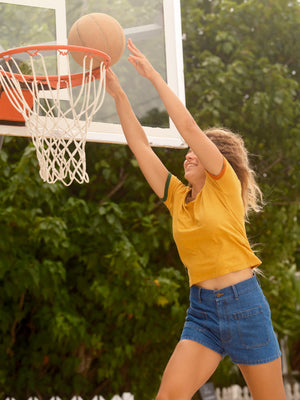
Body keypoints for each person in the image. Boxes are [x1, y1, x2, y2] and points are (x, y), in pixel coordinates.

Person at [105, 38, 286, 400]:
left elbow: (188, 127)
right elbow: (140, 145)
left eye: (196, 152)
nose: (188, 155)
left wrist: (153, 76)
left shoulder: (224, 183)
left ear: (214, 159)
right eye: (188, 152)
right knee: (168, 396)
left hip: (245, 306)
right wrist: (118, 93)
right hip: (203, 313)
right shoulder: (177, 197)